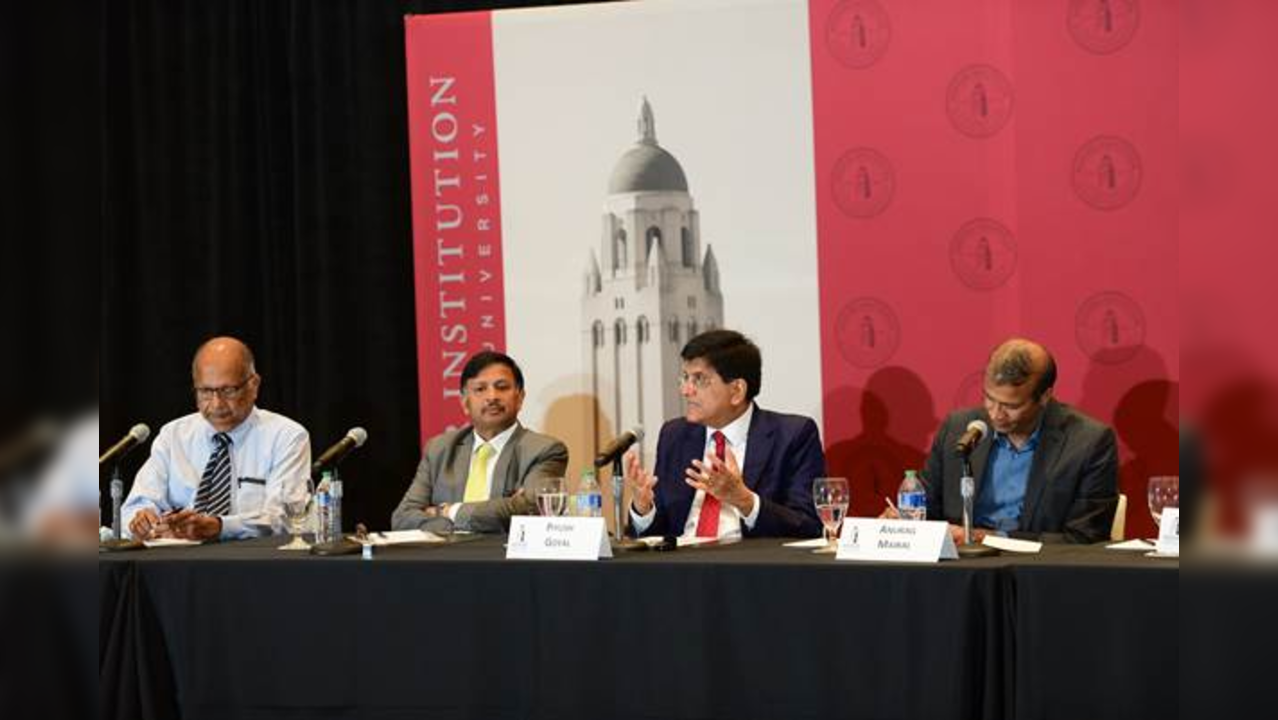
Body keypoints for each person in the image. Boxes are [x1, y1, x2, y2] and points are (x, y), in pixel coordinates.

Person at [625, 329, 824, 539]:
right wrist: (644, 508)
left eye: (699, 379)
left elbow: (809, 525)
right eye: (685, 377)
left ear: (737, 390)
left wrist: (744, 500)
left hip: (750, 567)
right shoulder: (675, 435)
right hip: (680, 565)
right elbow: (661, 532)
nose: (686, 390)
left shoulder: (793, 436)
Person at [919, 338, 1117, 544]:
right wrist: (905, 519)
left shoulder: (1088, 442)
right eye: (989, 398)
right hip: (961, 566)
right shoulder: (958, 428)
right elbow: (926, 506)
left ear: (1044, 396)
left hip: (1038, 569)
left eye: (1011, 406)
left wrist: (985, 537)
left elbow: (1085, 537)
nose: (995, 414)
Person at [123, 337, 310, 541]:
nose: (217, 403)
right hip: (177, 562)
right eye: (205, 391)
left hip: (253, 563)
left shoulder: (287, 436)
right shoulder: (173, 435)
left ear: (254, 385)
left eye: (228, 390)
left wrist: (220, 527)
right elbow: (135, 506)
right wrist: (142, 520)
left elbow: (286, 517)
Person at [391, 351, 568, 534]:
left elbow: (531, 509)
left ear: (520, 398)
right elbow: (402, 518)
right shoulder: (440, 449)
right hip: (445, 558)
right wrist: (453, 526)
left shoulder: (544, 450)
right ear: (465, 402)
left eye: (502, 387)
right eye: (480, 389)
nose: (492, 397)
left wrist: (446, 511)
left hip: (503, 559)